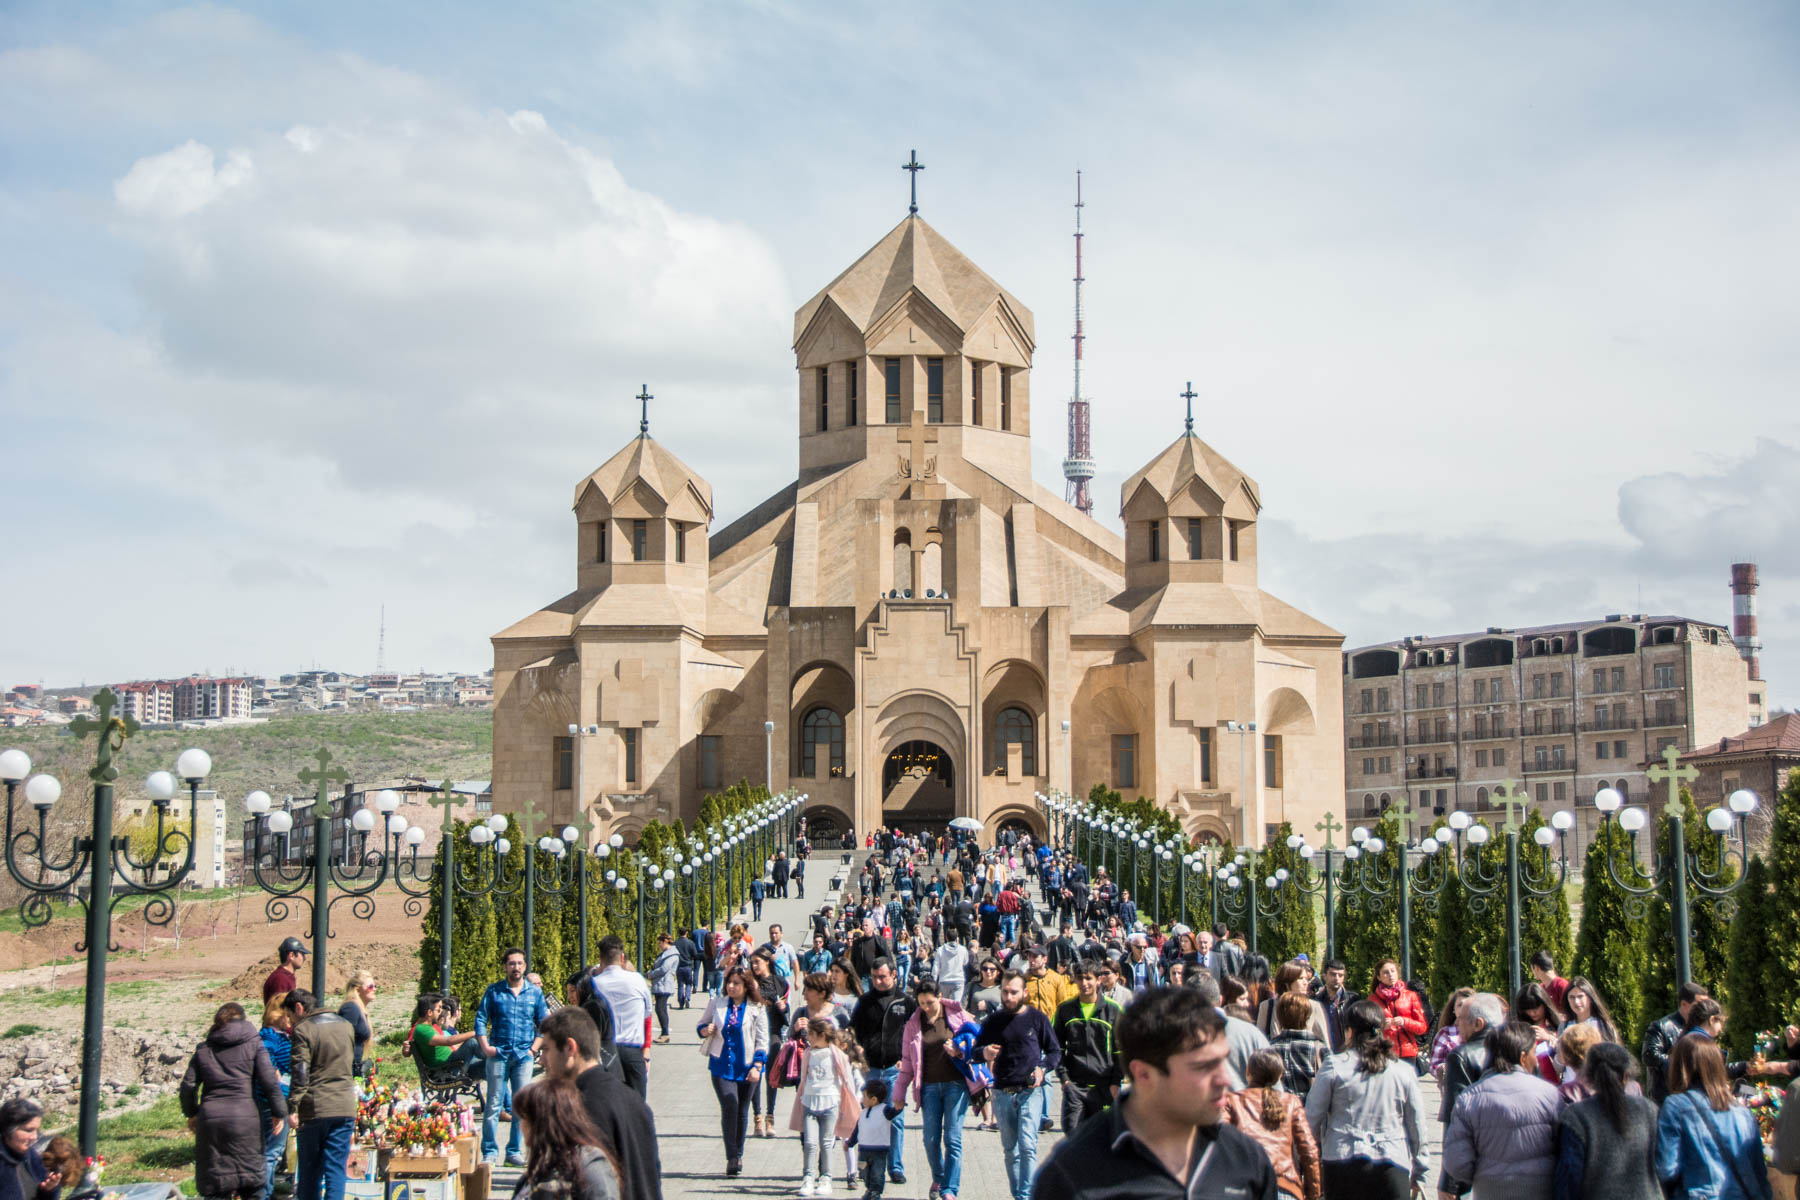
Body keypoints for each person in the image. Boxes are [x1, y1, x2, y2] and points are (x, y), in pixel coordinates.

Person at [1035, 986, 1278, 1200]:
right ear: (1144, 1075)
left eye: (1223, 1061)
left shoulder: (1246, 1159)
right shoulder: (1072, 1174)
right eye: (1203, 1066)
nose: (1225, 1079)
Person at [1303, 998, 1428, 1200]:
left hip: (1343, 1159)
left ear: (1349, 1031)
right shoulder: (1403, 1071)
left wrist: (1308, 1163)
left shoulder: (1335, 1065)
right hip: (1392, 1162)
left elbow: (1312, 1118)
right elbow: (1416, 1123)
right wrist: (1421, 1169)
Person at [536, 1006, 662, 1200]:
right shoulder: (633, 1099)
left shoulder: (580, 1105)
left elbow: (596, 1184)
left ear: (570, 1048)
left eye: (546, 1049)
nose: (542, 1060)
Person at [1441, 1020, 1562, 1199]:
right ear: (1523, 1057)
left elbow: (1456, 1162)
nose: (1535, 1059)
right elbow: (1564, 1149)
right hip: (1540, 1191)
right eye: (1533, 1052)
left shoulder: (1469, 1098)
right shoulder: (1550, 1095)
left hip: (1488, 1191)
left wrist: (1483, 1176)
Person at [180, 1002, 288, 1200]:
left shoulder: (204, 1049)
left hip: (211, 1121)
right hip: (245, 1119)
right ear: (243, 1020)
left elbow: (188, 1085)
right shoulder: (254, 1045)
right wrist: (278, 1112)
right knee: (251, 1182)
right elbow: (270, 1082)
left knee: (216, 1183)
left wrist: (192, 1113)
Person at [975, 971, 1062, 1200]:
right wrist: (983, 1052)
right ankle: (1019, 1194)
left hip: (1030, 1091)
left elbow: (1054, 1051)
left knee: (1028, 1145)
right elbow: (975, 1052)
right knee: (1011, 1149)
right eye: (1004, 992)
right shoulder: (994, 1021)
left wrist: (1043, 1069)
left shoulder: (1036, 1018)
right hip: (1002, 1092)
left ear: (1024, 993)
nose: (1008, 997)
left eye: (1013, 992)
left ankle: (1025, 1196)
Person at [892, 979, 980, 1200]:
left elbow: (976, 1044)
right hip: (929, 1087)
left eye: (930, 1002)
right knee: (930, 1139)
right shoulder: (913, 1023)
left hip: (956, 1085)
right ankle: (939, 1177)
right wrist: (899, 1094)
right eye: (921, 1003)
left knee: (953, 1138)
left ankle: (950, 1189)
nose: (926, 1007)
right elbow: (907, 1062)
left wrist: (960, 1050)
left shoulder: (957, 1016)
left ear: (940, 997)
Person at [1656, 1033, 1771, 1200]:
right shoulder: (1743, 1112)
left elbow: (1666, 1168)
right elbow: (1760, 1172)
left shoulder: (1676, 1106)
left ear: (1680, 1067)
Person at [1553, 1042, 1661, 1200]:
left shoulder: (1577, 1116)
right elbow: (1664, 1165)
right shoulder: (1649, 1110)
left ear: (1588, 1076)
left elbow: (1569, 1180)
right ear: (1625, 1076)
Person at [475, 947, 548, 1166]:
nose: (515, 967)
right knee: (494, 1104)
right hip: (499, 1053)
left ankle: (514, 1151)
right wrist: (485, 1046)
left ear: (525, 967)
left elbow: (543, 1023)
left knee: (520, 1105)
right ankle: (489, 1151)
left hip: (523, 1056)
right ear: (505, 966)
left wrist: (534, 1049)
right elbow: (481, 1018)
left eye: (519, 963)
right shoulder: (495, 991)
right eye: (511, 963)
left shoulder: (534, 993)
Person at [284, 989, 356, 1200]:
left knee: (310, 1172)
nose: (290, 1022)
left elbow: (300, 1073)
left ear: (298, 1008)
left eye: (290, 1015)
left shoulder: (303, 1029)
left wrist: (293, 1106)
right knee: (335, 1170)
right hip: (344, 1104)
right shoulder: (345, 1026)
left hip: (315, 1107)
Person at [849, 958, 915, 1186]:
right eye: (874, 977)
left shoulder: (905, 1002)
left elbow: (916, 1035)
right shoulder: (865, 1001)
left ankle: (895, 1167)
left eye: (883, 977)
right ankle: (865, 1165)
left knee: (895, 1120)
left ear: (894, 975)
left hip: (894, 1070)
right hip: (871, 1068)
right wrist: (857, 1053)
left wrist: (907, 1060)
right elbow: (853, 1031)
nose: (877, 981)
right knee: (867, 1119)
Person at [1222, 1050, 1322, 1199]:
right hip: (1285, 1187)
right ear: (1279, 1076)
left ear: (1248, 1072)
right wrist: (1312, 1194)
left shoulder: (1231, 1101)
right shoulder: (1290, 1102)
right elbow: (1309, 1152)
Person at [699, 966, 769, 1177]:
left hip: (747, 1067)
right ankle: (731, 1157)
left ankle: (739, 1153)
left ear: (746, 986)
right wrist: (704, 1030)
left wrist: (758, 1066)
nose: (731, 987)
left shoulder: (757, 1008)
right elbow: (702, 1024)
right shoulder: (717, 1003)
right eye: (729, 982)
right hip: (722, 1065)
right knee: (730, 1105)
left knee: (742, 1110)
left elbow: (762, 1040)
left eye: (736, 983)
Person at [510, 1078, 622, 1200]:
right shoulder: (539, 1169)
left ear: (545, 1123)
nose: (522, 1127)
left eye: (526, 1120)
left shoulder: (591, 1169)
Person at [788, 1013, 858, 1197]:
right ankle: (808, 1178)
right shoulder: (809, 1053)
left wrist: (852, 1104)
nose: (807, 1037)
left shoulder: (837, 1055)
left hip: (831, 1102)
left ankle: (826, 1178)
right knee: (810, 1142)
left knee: (827, 1143)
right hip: (809, 1102)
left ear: (822, 1035)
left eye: (810, 1034)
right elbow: (804, 1078)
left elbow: (847, 1080)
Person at [1051, 961, 1125, 1135]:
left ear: (1098, 980)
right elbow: (1056, 1048)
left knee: (1102, 1142)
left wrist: (1116, 1082)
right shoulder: (1065, 1010)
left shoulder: (1113, 1011)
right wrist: (1064, 1079)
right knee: (1072, 1141)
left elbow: (1120, 1051)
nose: (1084, 983)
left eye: (1088, 978)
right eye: (1080, 979)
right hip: (1075, 1086)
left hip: (1104, 1087)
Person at [593, 935, 654, 1098]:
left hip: (605, 1052)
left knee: (609, 1104)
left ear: (600, 958)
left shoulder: (595, 984)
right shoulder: (637, 980)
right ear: (622, 957)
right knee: (637, 1106)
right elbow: (647, 1013)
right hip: (632, 1050)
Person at [1643, 981, 1707, 1103]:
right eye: (1699, 1005)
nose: (1703, 1009)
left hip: (1694, 1098)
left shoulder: (1702, 1028)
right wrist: (1682, 1062)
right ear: (1684, 1004)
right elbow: (1650, 1055)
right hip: (1666, 1097)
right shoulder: (1662, 1026)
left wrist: (1743, 1067)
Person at [1368, 958, 1427, 1072]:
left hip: (1408, 1052)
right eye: (1386, 972)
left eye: (1393, 971)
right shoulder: (1373, 1000)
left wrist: (1405, 1021)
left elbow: (1422, 1027)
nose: (1390, 975)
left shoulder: (1410, 996)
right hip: (1384, 1052)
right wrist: (1382, 1026)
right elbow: (1369, 1029)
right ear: (1379, 977)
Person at [1268, 992, 1327, 1100]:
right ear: (1307, 1017)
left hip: (1279, 1111)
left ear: (1279, 1016)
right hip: (1311, 1112)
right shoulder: (1320, 1048)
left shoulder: (1269, 1049)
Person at [0, 1099, 62, 1200]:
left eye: (36, 1130)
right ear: (8, 1130)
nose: (35, 1137)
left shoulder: (30, 1155)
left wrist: (49, 1189)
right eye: (29, 1130)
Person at [847, 1078, 895, 1199]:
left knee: (877, 1173)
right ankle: (869, 1188)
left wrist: (898, 1108)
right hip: (863, 1150)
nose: (862, 1100)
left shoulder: (884, 1109)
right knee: (864, 1172)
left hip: (879, 1150)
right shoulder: (863, 1112)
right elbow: (858, 1130)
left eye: (864, 1097)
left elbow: (893, 1113)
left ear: (873, 1100)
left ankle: (876, 1192)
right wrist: (850, 1143)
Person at [1309, 959, 1358, 1052]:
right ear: (1324, 976)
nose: (1337, 978)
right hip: (1323, 1054)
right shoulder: (1316, 1002)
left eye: (1340, 975)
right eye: (1333, 974)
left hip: (1347, 1054)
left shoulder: (1352, 1000)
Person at [1426, 987, 1474, 1080]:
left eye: (1468, 1005)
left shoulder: (1482, 1031)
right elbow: (1434, 1066)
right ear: (1453, 1009)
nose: (1463, 1009)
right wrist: (1445, 1069)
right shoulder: (1445, 1033)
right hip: (1454, 1088)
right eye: (1460, 1005)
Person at [337, 971, 375, 1080]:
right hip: (347, 1070)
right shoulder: (350, 1009)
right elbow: (342, 1040)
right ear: (357, 990)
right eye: (371, 986)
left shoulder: (359, 1009)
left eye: (375, 986)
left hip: (355, 1067)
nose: (375, 989)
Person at [1559, 977, 1618, 1044]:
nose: (1576, 1002)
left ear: (1590, 998)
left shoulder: (1603, 1026)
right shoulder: (1564, 1027)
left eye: (1580, 996)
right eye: (1572, 997)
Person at [648, 934, 680, 1045]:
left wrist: (651, 974)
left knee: (660, 1008)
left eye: (659, 943)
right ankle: (664, 1033)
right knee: (659, 1008)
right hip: (660, 984)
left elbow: (664, 969)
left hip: (664, 984)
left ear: (664, 941)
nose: (659, 945)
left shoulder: (671, 955)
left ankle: (665, 1034)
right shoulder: (666, 954)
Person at [263, 936, 308, 1005]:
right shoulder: (281, 979)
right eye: (302, 954)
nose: (305, 958)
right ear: (291, 955)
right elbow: (279, 1009)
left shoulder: (285, 976)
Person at [932, 931, 970, 1003]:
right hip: (958, 979)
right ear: (957, 938)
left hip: (944, 980)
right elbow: (965, 962)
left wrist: (934, 979)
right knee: (956, 1004)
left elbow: (936, 965)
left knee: (943, 1003)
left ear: (946, 938)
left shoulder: (940, 950)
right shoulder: (963, 949)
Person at [1530, 950, 1571, 1014]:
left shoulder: (1562, 985)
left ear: (1536, 967)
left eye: (1532, 969)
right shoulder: (1540, 988)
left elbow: (1570, 1012)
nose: (1532, 972)